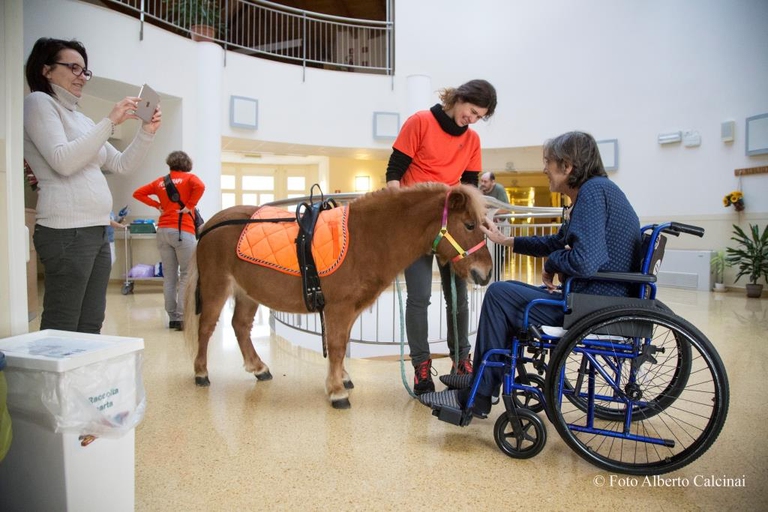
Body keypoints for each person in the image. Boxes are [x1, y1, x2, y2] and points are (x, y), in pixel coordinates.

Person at [420, 131, 641, 415]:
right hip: (597, 298)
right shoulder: (597, 191)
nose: (544, 169)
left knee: (500, 294)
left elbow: (585, 261)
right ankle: (483, 378)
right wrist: (507, 240)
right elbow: (557, 241)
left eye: (548, 162)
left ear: (567, 166)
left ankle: (479, 394)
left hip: (593, 306)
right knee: (508, 291)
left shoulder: (593, 194)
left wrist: (552, 263)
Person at [24, 37, 162, 334]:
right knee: (63, 323)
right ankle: (57, 382)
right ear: (46, 70)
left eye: (84, 71)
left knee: (90, 322)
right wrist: (110, 122)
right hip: (66, 232)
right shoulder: (38, 103)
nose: (81, 77)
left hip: (97, 231)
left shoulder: (82, 119)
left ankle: (82, 382)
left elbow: (122, 164)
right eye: (73, 67)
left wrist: (146, 132)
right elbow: (62, 160)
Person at [386, 79, 497, 395]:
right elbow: (394, 171)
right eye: (472, 111)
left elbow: (470, 185)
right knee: (419, 297)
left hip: (452, 229)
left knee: (458, 297)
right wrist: (398, 205)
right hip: (417, 227)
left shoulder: (472, 141)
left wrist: (478, 218)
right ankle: (421, 366)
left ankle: (462, 360)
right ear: (459, 98)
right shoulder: (420, 122)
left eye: (479, 117)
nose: (473, 120)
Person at [133, 151, 205, 331]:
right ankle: (181, 318)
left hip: (163, 231)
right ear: (187, 164)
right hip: (182, 231)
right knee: (187, 274)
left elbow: (138, 193)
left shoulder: (159, 181)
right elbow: (201, 186)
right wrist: (189, 206)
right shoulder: (190, 179)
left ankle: (172, 317)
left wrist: (157, 205)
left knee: (170, 277)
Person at [479, 172, 511, 281]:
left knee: (497, 254)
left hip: (500, 227)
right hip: (486, 229)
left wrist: (492, 212)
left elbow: (506, 209)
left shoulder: (499, 189)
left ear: (493, 182)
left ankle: (496, 279)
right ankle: (485, 278)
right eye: (481, 181)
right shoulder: (480, 190)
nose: (482, 183)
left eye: (485, 181)